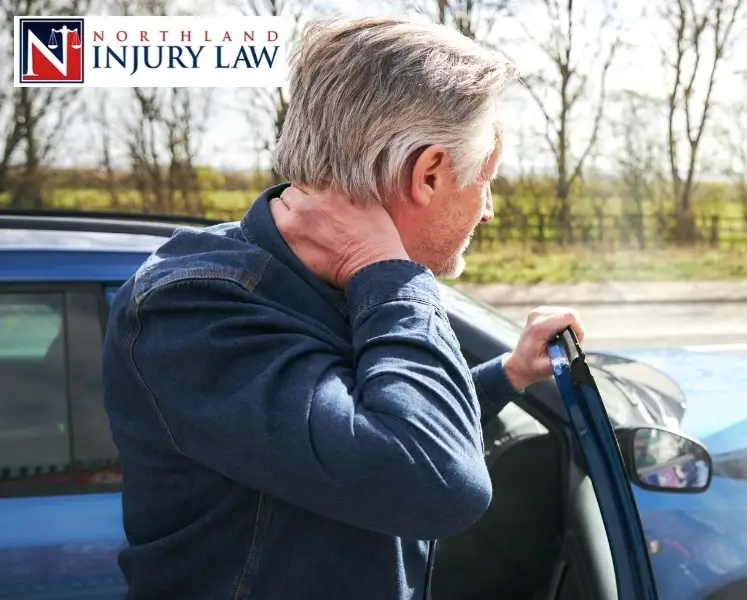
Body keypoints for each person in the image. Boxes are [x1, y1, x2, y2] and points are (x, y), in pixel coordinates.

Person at [100, 15, 585, 600]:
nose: (487, 210)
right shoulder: (193, 306)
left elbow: (360, 433)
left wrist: (506, 374)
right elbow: (432, 479)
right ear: (428, 174)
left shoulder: (328, 281)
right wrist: (389, 273)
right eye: (485, 180)